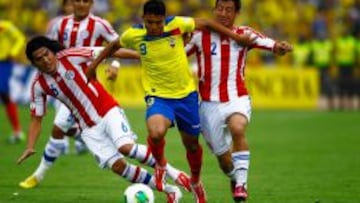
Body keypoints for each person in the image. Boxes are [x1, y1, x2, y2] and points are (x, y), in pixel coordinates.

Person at [86, 1, 253, 202]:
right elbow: (112, 45)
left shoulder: (177, 25)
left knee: (192, 146)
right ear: (143, 19)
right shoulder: (134, 34)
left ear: (164, 19)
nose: (154, 27)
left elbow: (207, 24)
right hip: (158, 96)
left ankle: (196, 182)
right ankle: (161, 166)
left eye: (158, 22)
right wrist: (94, 65)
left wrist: (235, 37)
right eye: (149, 22)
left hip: (186, 96)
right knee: (156, 132)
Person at [17, 36, 191, 203]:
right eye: (39, 59)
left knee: (125, 147)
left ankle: (175, 173)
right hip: (87, 128)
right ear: (34, 63)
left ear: (52, 51)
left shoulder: (71, 56)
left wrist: (143, 56)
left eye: (46, 53)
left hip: (107, 109)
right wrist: (30, 146)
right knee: (118, 167)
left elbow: (109, 51)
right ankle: (171, 191)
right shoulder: (39, 84)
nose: (45, 60)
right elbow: (36, 119)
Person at [19, 0, 136, 189]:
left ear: (91, 3)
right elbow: (44, 49)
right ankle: (98, 139)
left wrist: (115, 66)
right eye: (77, 0)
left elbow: (116, 44)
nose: (81, 4)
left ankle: (38, 175)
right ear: (71, 3)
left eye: (85, 1)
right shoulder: (59, 24)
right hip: (60, 84)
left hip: (85, 85)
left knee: (58, 128)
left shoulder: (100, 24)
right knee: (63, 129)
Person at [185, 0, 292, 201]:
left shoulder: (245, 33)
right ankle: (235, 178)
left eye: (229, 10)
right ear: (214, 10)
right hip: (208, 105)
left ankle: (242, 184)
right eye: (220, 9)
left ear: (237, 13)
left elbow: (268, 43)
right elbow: (178, 55)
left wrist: (279, 46)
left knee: (238, 128)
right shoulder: (200, 35)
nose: (223, 13)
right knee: (225, 163)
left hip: (237, 97)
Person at [0, 19, 26, 144]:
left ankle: (17, 130)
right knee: (5, 96)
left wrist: (13, 52)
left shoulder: (5, 26)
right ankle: (17, 131)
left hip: (4, 63)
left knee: (3, 91)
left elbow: (20, 38)